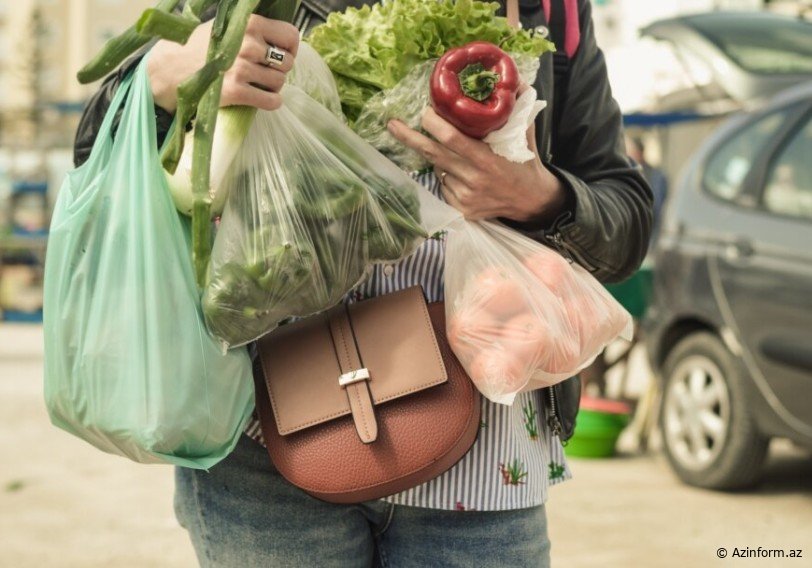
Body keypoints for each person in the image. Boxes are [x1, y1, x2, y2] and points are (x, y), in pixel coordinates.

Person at [74, 0, 652, 565]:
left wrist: (542, 197)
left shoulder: (547, 9)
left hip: (484, 457)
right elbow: (94, 152)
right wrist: (163, 79)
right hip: (264, 443)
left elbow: (627, 215)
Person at [628, 137, 667, 244]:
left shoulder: (656, 175)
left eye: (632, 152)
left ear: (639, 153)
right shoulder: (630, 172)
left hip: (649, 229)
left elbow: (658, 206)